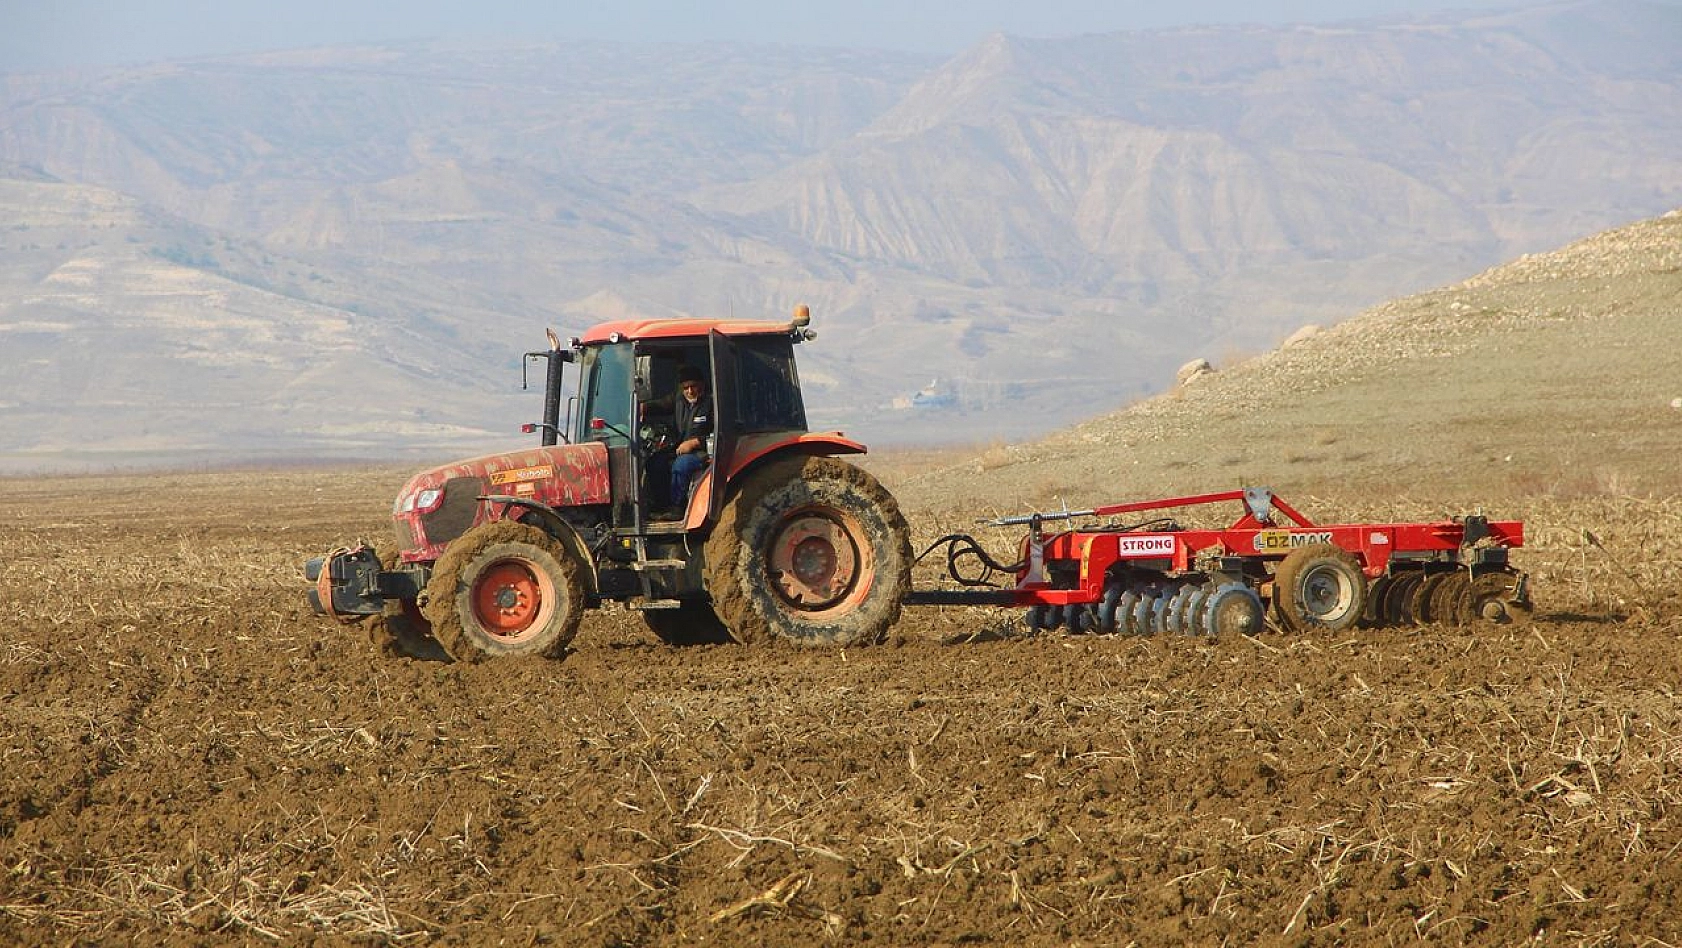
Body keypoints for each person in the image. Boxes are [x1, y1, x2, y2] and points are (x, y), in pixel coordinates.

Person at [647, 365, 713, 511]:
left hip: (703, 452)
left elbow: (720, 433)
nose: (690, 391)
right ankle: (661, 506)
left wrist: (696, 442)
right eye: (686, 387)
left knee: (681, 466)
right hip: (680, 448)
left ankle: (677, 507)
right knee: (655, 463)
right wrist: (643, 408)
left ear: (701, 384)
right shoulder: (679, 400)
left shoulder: (712, 403)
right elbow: (661, 405)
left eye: (693, 386)